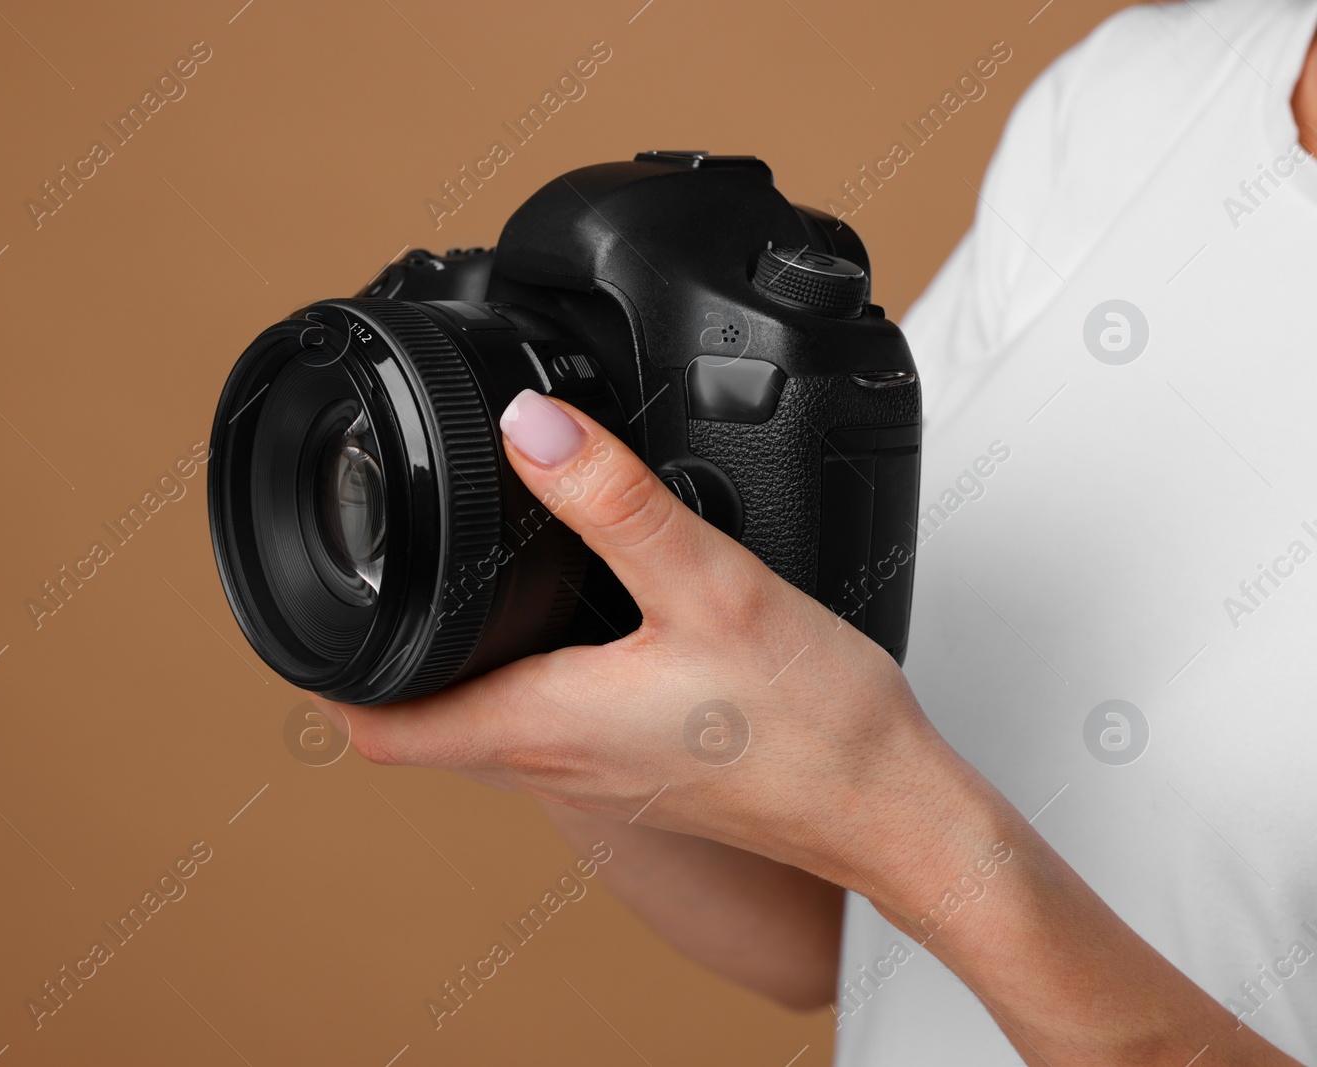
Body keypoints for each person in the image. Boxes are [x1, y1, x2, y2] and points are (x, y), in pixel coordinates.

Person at [315, 1, 1317, 1061]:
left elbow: (884, 811)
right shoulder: (1139, 93)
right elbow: (823, 930)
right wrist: (561, 617)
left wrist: (901, 822)